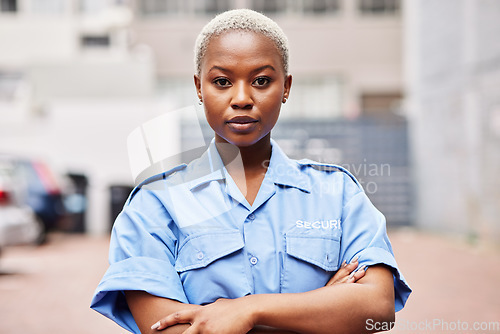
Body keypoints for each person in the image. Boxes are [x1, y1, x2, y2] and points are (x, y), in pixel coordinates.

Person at [91, 8, 411, 334]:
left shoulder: (338, 193)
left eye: (261, 81)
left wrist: (248, 310)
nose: (241, 98)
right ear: (199, 88)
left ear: (285, 87)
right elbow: (168, 330)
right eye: (221, 81)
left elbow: (377, 309)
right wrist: (322, 307)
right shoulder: (154, 205)